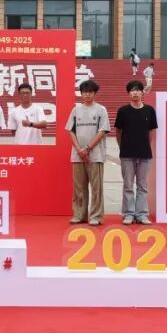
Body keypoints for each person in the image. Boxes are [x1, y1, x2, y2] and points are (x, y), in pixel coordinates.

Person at [66, 79, 110, 225]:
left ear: (95, 93)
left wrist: (88, 148)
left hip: (95, 155)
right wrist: (79, 149)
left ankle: (96, 216)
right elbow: (71, 131)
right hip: (77, 155)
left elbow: (102, 131)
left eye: (90, 92)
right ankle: (79, 215)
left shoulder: (101, 110)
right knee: (79, 187)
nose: (87, 95)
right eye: (85, 92)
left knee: (96, 188)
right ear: (81, 93)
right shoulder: (76, 110)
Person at [113, 80, 157, 225]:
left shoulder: (149, 110)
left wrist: (146, 146)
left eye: (138, 90)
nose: (135, 93)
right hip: (127, 154)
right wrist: (122, 147)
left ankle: (142, 214)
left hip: (144, 154)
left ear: (142, 92)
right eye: (132, 90)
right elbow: (118, 132)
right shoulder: (123, 111)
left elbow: (151, 131)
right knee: (128, 186)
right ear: (128, 93)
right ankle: (128, 214)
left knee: (142, 186)